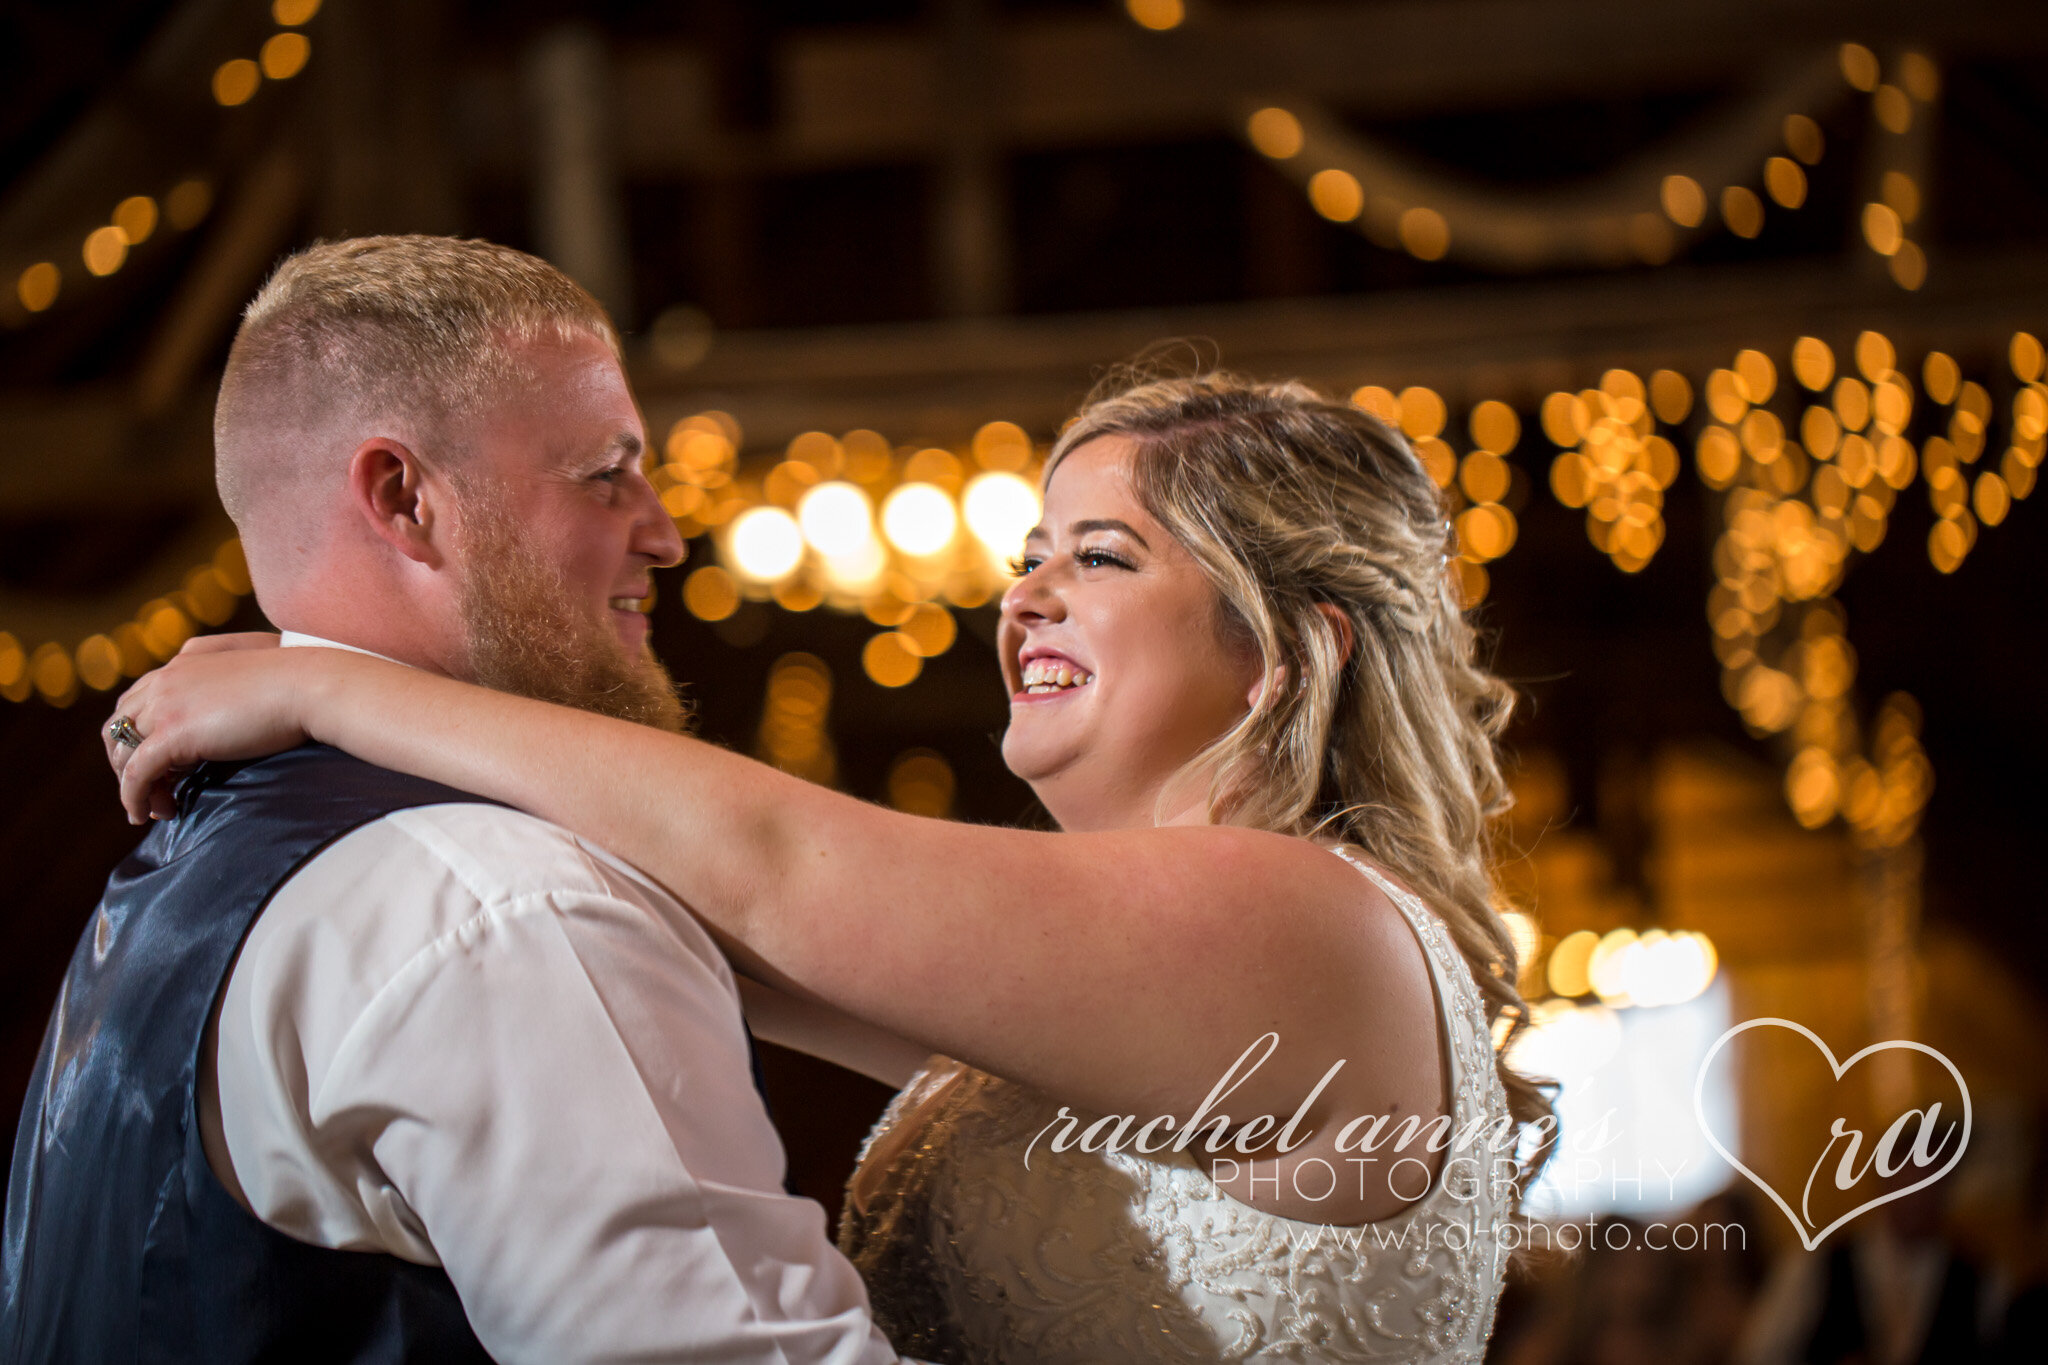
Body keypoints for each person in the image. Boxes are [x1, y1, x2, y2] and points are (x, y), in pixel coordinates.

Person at [102, 369, 1560, 1362]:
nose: (1025, 593)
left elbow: (771, 866)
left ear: (1286, 648)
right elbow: (706, 923)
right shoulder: (1186, 973)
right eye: (1031, 551)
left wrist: (329, 687)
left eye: (1103, 559)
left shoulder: (1302, 921)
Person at [3, 236, 917, 1363]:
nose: (666, 532)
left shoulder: (179, 881)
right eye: (604, 474)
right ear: (403, 497)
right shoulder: (505, 908)